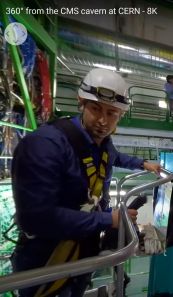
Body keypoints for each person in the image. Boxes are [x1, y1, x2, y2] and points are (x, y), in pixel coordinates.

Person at [11, 68, 163, 297]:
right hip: (47, 261)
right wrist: (106, 219)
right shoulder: (44, 144)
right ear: (81, 102)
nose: (103, 120)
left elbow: (115, 157)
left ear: (121, 114)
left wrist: (143, 164)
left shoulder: (102, 143)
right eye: (96, 109)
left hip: (83, 252)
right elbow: (35, 218)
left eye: (112, 113)